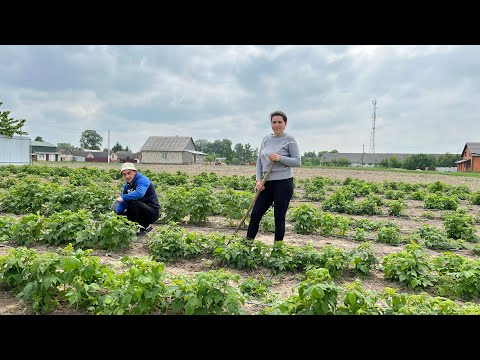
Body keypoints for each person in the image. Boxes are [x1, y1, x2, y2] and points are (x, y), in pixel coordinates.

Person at [246, 110, 301, 243]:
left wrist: (280, 158)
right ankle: (246, 246)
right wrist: (258, 180)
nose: (276, 125)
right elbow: (259, 161)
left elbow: (297, 161)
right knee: (255, 214)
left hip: (283, 183)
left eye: (279, 122)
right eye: (274, 122)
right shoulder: (266, 139)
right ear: (271, 124)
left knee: (279, 217)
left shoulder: (289, 140)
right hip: (267, 183)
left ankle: (277, 250)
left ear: (285, 123)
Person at [113, 162, 160, 235]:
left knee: (132, 202)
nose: (127, 176)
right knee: (121, 214)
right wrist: (115, 213)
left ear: (135, 172)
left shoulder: (143, 180)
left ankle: (141, 227)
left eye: (129, 173)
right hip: (140, 211)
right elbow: (123, 203)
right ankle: (131, 229)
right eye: (124, 174)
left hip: (152, 212)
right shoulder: (127, 186)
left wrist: (123, 197)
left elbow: (140, 193)